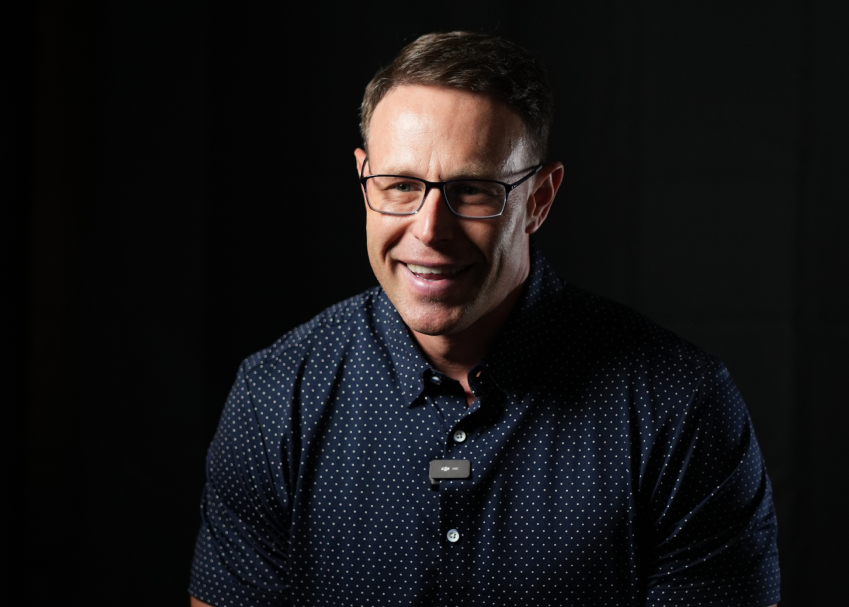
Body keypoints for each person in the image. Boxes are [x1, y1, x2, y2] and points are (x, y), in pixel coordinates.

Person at [189, 31, 780, 606]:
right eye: (400, 186)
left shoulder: (680, 407)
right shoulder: (275, 396)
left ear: (539, 200)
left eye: (472, 191)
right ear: (364, 178)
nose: (429, 231)